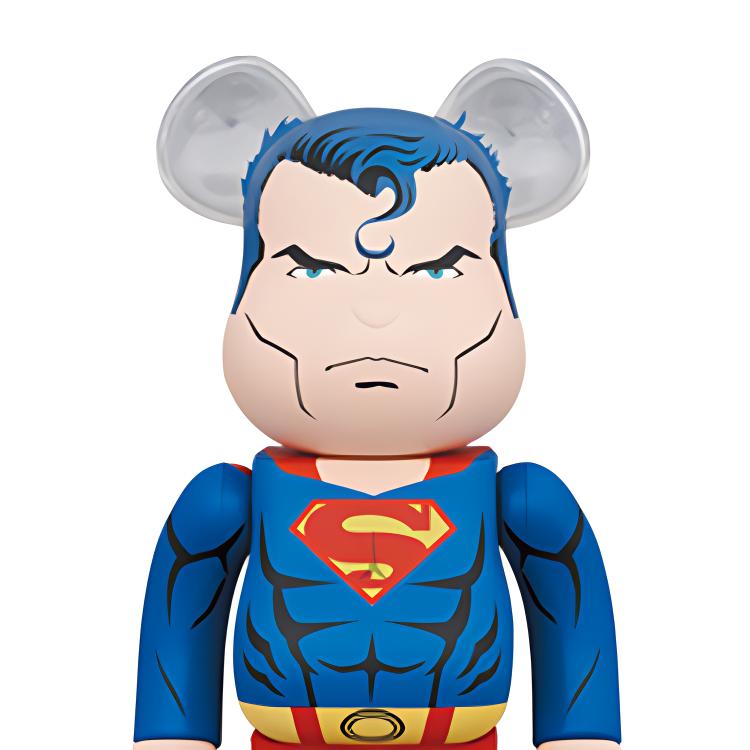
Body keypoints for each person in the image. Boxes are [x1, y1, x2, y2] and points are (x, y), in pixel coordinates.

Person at [134, 57, 620, 750]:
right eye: (312, 267)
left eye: (437, 268)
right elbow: (182, 623)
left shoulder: (524, 502)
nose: (374, 310)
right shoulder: (223, 504)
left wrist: (581, 734)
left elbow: (571, 620)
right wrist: (172, 735)